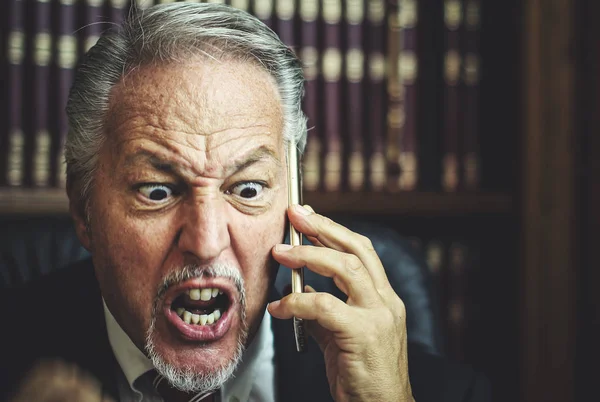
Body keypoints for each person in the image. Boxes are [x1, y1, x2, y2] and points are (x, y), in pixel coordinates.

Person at [0, 3, 490, 402]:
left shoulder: (435, 393)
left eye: (248, 189)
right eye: (157, 191)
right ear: (84, 210)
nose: (207, 242)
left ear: (293, 200)